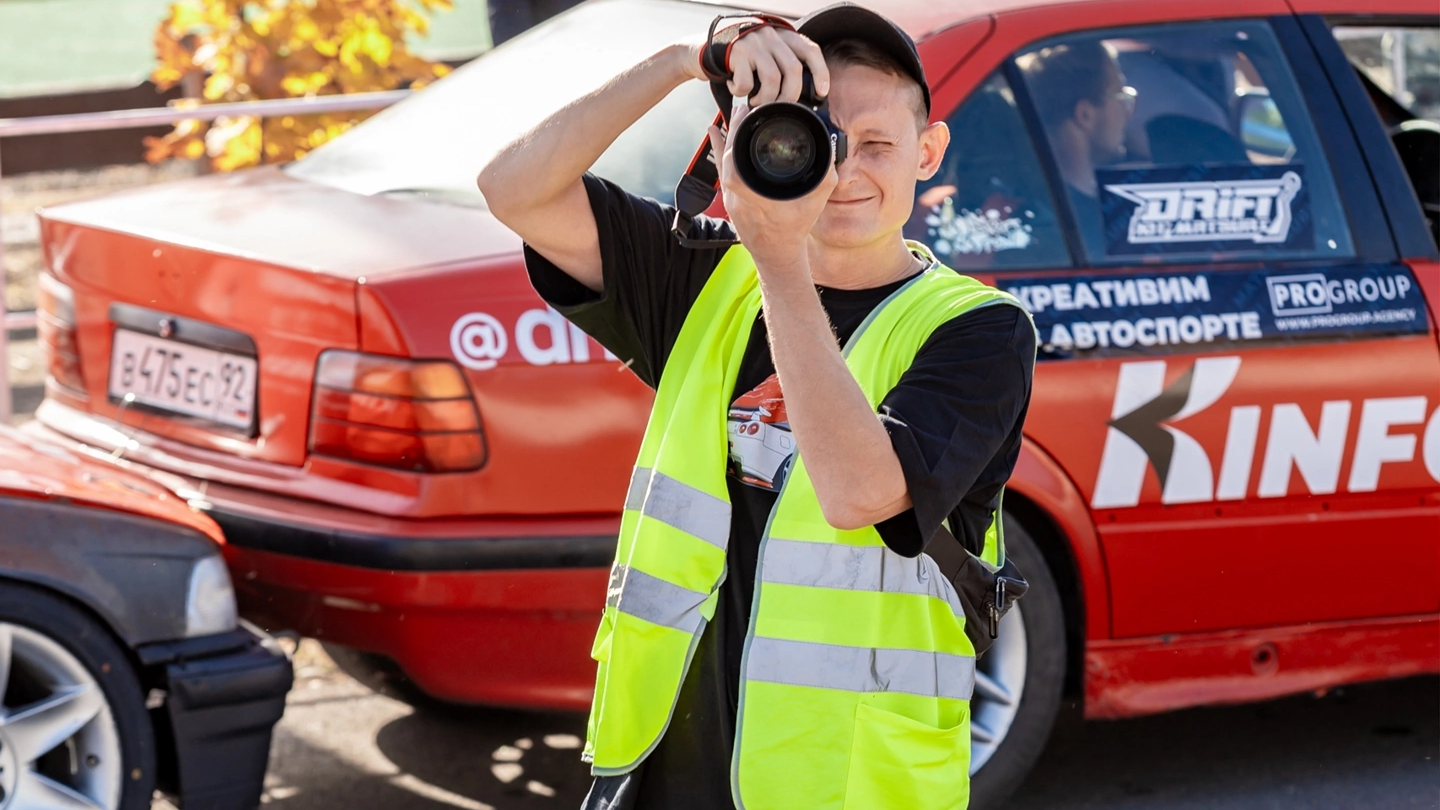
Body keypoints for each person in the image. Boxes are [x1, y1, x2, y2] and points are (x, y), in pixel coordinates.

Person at [477, 5, 1035, 808]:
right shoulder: (707, 279)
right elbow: (514, 189)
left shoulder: (977, 330)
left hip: (841, 784)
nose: (843, 172)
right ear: (742, 143)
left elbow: (859, 493)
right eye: (814, 139)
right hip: (660, 765)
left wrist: (778, 255)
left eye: (875, 144)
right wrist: (681, 60)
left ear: (929, 152)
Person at [1021, 40, 1136, 258]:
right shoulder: (1102, 219)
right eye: (1120, 97)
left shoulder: (1027, 204)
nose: (1128, 112)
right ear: (1085, 114)